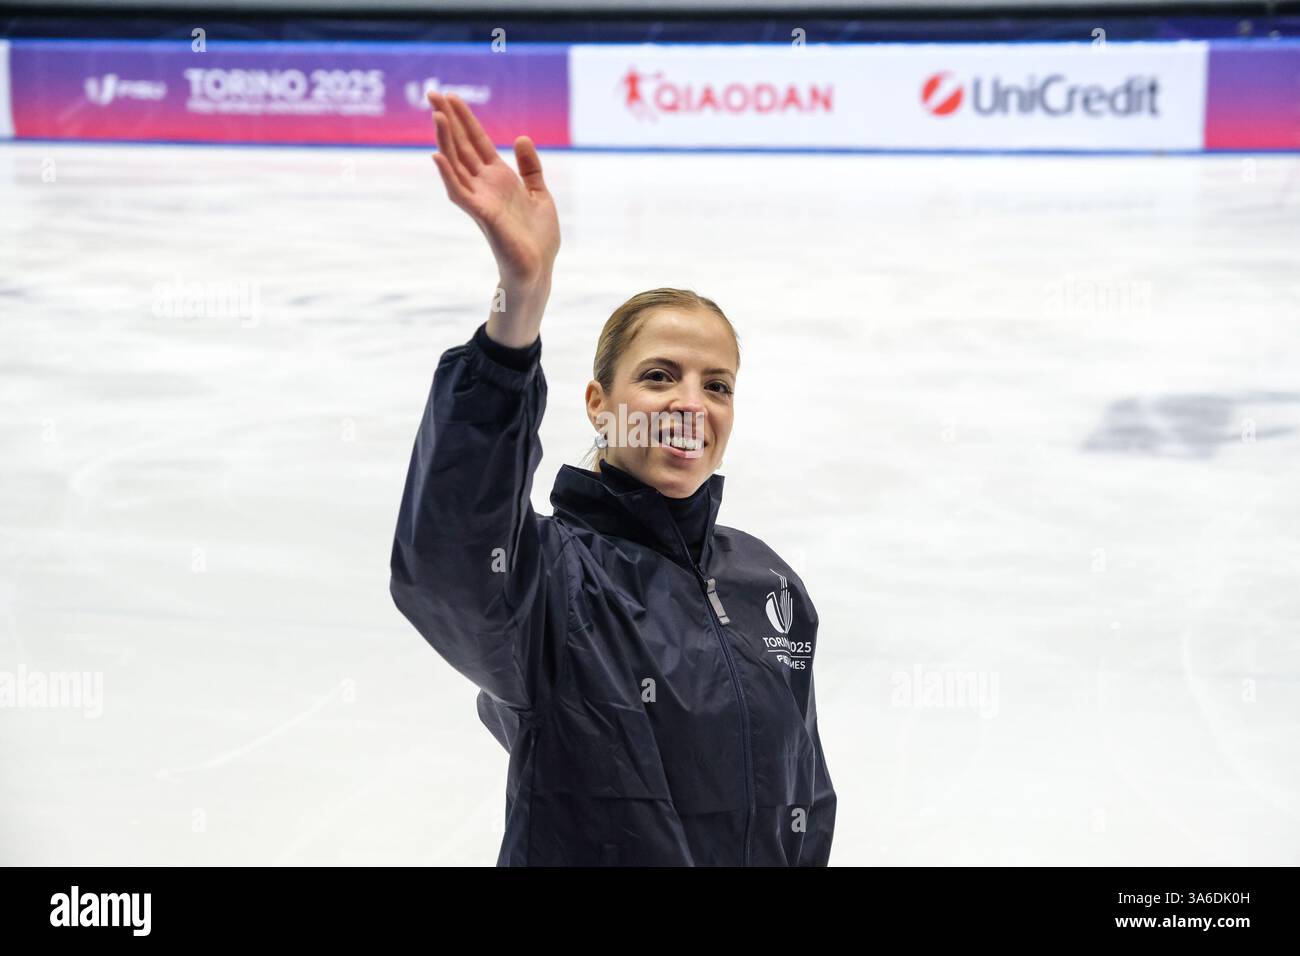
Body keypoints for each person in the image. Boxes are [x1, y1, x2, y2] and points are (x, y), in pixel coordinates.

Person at [390, 91, 836, 866]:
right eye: (660, 376)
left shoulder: (768, 582)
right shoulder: (553, 584)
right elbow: (450, 559)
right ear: (599, 403)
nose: (691, 405)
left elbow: (806, 800)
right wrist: (517, 310)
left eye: (718, 385)